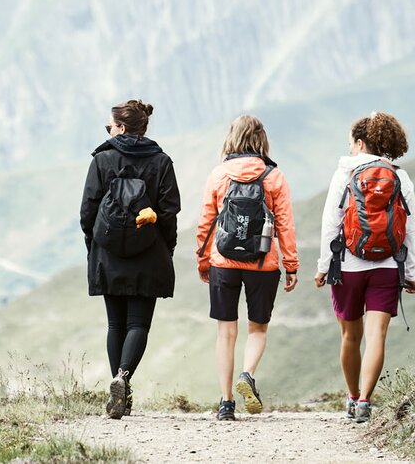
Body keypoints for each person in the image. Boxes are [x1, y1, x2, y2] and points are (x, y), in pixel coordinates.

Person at [314, 111, 415, 423]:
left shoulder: (344, 174)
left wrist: (323, 267)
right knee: (377, 335)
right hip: (387, 266)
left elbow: (330, 224)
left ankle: (350, 396)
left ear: (360, 143)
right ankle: (365, 401)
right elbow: (411, 229)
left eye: (350, 143)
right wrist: (410, 272)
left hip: (347, 266)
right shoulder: (400, 177)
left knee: (350, 336)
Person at [80, 99, 180, 419]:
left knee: (115, 324)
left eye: (109, 126)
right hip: (149, 253)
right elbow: (169, 212)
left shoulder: (102, 160)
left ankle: (117, 390)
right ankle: (123, 379)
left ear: (121, 128)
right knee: (138, 323)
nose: (108, 131)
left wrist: (93, 246)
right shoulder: (161, 161)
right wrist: (167, 248)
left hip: (107, 253)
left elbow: (88, 211)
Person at [195, 115, 298, 421]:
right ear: (261, 140)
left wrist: (203, 261)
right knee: (257, 329)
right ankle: (247, 374)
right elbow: (285, 224)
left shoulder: (218, 175)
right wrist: (290, 264)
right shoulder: (274, 176)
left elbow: (206, 223)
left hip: (222, 262)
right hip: (262, 262)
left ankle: (226, 403)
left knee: (226, 332)